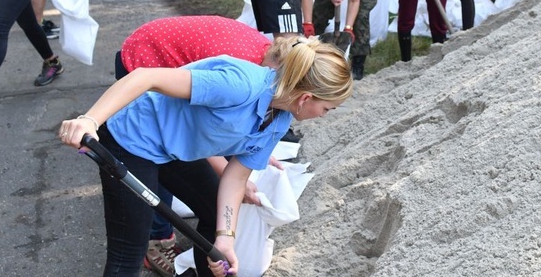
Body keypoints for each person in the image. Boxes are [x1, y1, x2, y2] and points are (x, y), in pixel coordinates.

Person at [59, 37, 353, 277]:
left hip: (177, 148)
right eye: (327, 109)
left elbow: (236, 178)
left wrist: (226, 236)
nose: (323, 116)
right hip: (134, 140)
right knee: (129, 253)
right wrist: (89, 120)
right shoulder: (240, 84)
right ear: (305, 98)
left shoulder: (278, 121)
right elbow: (144, 77)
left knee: (215, 213)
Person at [115, 15, 288, 277]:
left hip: (175, 73)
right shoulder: (243, 77)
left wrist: (253, 151)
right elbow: (201, 128)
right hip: (145, 58)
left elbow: (226, 128)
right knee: (148, 187)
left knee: (206, 198)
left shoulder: (269, 80)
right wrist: (90, 120)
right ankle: (158, 238)